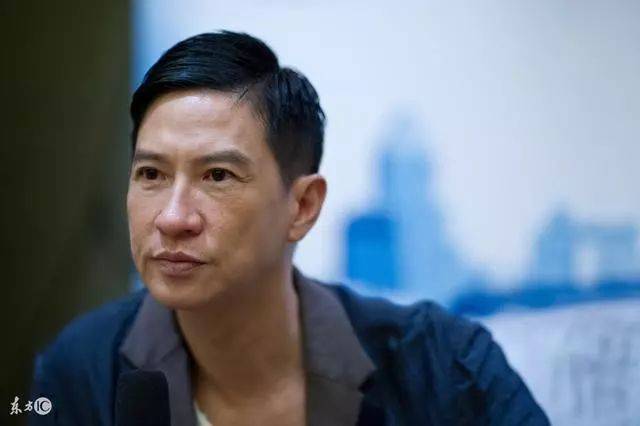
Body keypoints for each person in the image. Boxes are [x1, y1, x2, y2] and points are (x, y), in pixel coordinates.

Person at [30, 31, 549, 425]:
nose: (172, 217)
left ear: (302, 207)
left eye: (217, 176)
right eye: (151, 174)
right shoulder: (78, 373)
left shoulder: (444, 367)